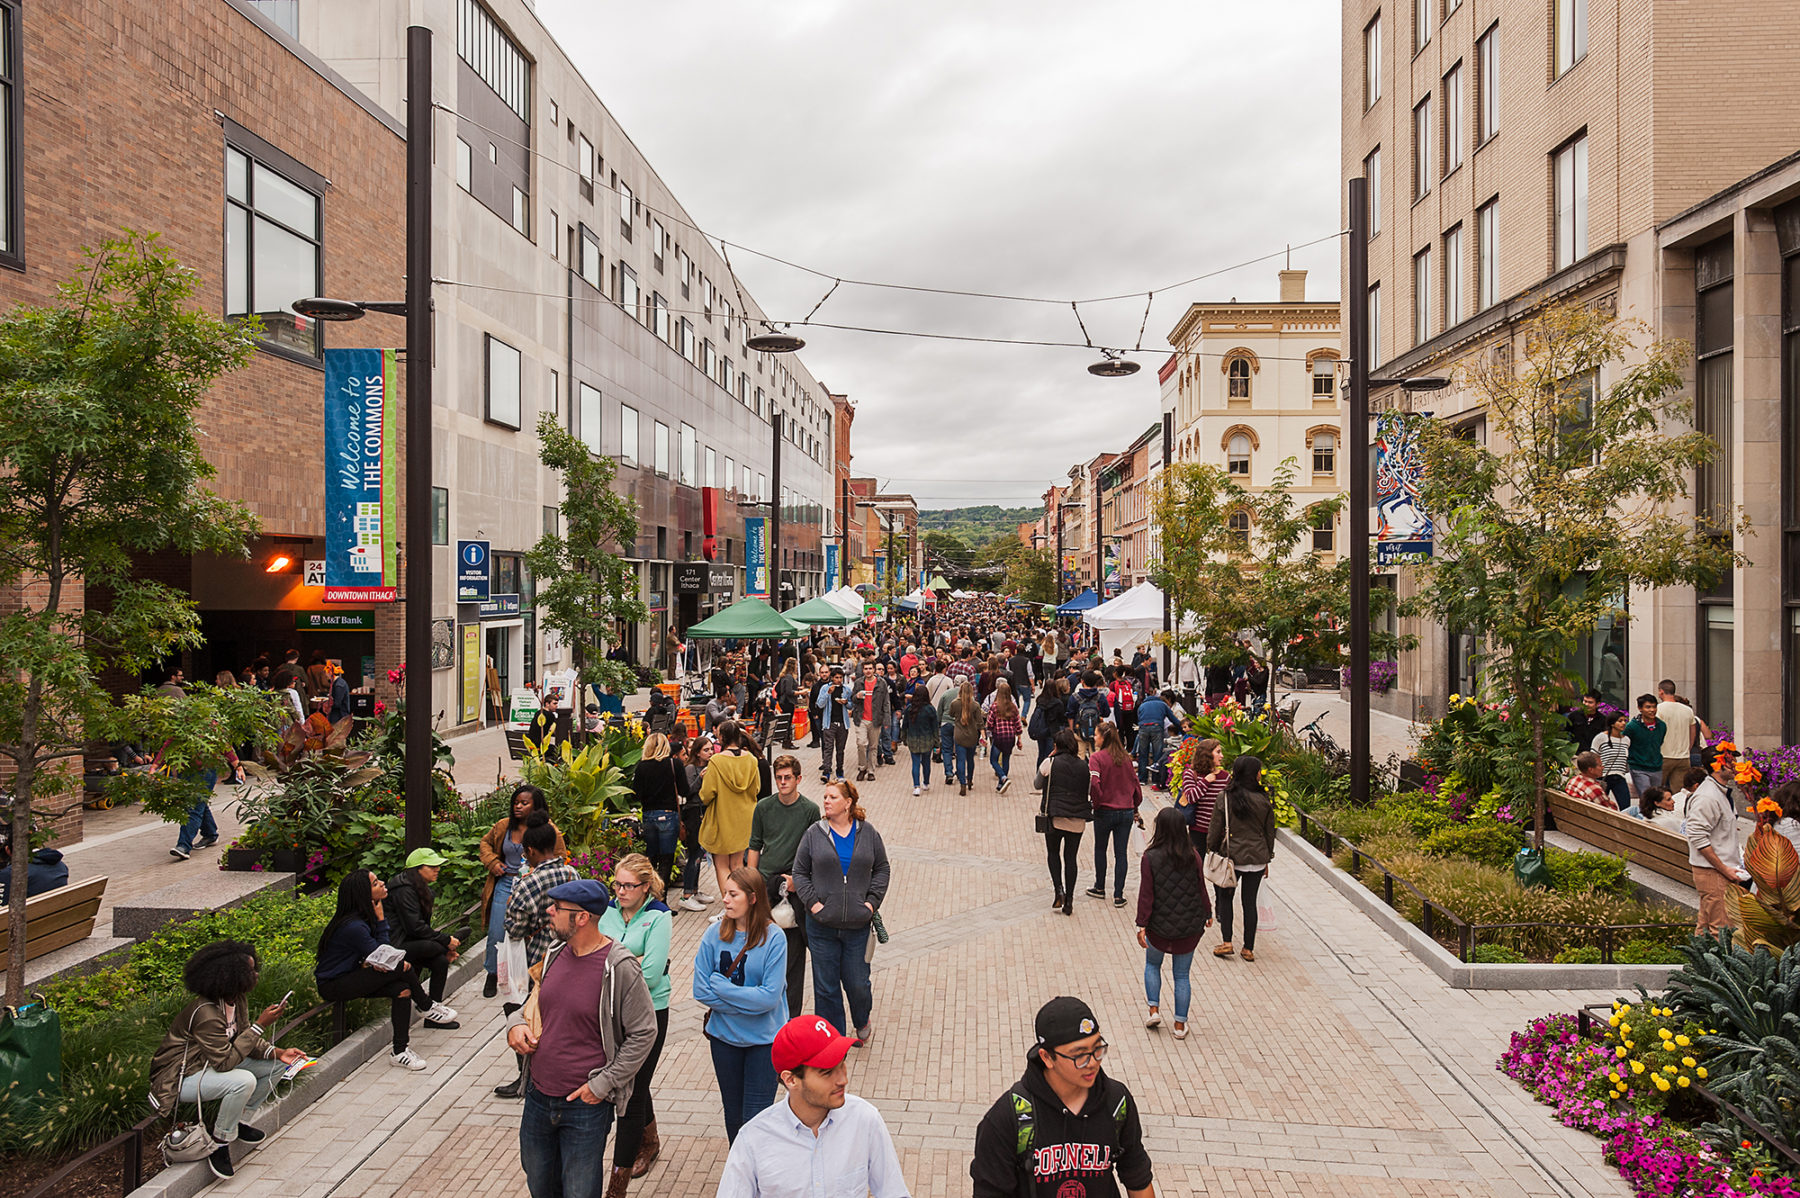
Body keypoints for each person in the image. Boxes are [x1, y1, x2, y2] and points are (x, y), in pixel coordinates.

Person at [508, 880, 658, 1198]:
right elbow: (531, 1007)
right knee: (540, 1185)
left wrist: (602, 1085)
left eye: (556, 908)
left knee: (579, 1191)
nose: (548, 912)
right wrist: (515, 1025)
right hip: (537, 1097)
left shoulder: (619, 967)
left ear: (581, 918)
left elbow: (645, 1032)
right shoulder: (554, 954)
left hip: (584, 1107)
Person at [148, 940, 308, 1179]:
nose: (256, 975)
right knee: (243, 1080)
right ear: (229, 977)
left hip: (210, 1066)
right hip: (181, 1079)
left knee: (277, 1066)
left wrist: (278, 1053)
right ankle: (219, 1144)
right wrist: (260, 1025)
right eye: (250, 971)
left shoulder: (235, 999)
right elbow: (225, 1062)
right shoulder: (206, 1013)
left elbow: (244, 1040)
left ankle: (237, 1124)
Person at [970, 996, 1155, 1198]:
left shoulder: (1116, 1102)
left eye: (1097, 1049)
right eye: (1079, 1055)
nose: (1092, 1062)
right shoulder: (1008, 1117)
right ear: (1047, 1057)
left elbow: (1137, 1175)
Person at [716, 1015, 910, 1198]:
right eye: (827, 1073)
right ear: (791, 1080)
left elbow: (893, 1192)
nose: (843, 1079)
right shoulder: (752, 1140)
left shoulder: (865, 1120)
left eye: (842, 1064)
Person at [694, 866, 789, 1144]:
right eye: (725, 893)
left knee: (757, 1120)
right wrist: (750, 1003)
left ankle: (761, 1180)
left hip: (764, 1043)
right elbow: (700, 990)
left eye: (733, 895)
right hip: (725, 1041)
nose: (725, 900)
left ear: (753, 897)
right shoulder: (714, 935)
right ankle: (742, 1176)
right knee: (734, 1118)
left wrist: (723, 989)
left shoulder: (775, 939)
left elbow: (770, 998)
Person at [792, 779, 890, 1044]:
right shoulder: (814, 833)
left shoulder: (867, 833)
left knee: (858, 983)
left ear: (848, 803)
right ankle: (832, 1040)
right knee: (826, 988)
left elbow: (882, 868)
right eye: (825, 796)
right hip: (821, 925)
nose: (826, 801)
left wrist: (870, 903)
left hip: (857, 926)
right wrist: (813, 904)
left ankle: (861, 1020)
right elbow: (799, 872)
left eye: (832, 797)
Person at [597, 855, 674, 1194]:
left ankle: (618, 1184)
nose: (621, 891)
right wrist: (634, 962)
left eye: (629, 886)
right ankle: (651, 1139)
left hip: (650, 1013)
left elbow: (655, 974)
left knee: (631, 1095)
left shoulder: (659, 915)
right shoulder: (608, 912)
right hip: (611, 1014)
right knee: (635, 1080)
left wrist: (616, 970)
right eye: (617, 884)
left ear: (646, 887)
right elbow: (595, 961)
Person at [315, 870, 443, 1071]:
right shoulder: (354, 926)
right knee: (400, 966)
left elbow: (382, 953)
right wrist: (382, 922)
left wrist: (380, 919)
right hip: (334, 984)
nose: (383, 883)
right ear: (364, 894)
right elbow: (385, 956)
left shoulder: (364, 917)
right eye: (375, 883)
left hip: (355, 974)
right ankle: (425, 1005)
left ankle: (400, 1052)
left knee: (402, 989)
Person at [496, 818, 580, 1099]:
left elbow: (514, 928)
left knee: (527, 1017)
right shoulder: (572, 874)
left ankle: (528, 1079)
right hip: (572, 956)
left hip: (537, 964)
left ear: (530, 851)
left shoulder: (527, 883)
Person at [748, 755, 822, 1019]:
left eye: (787, 777)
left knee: (793, 952)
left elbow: (815, 851)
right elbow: (755, 845)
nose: (782, 782)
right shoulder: (764, 807)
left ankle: (791, 1015)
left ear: (798, 779)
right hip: (766, 885)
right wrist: (752, 883)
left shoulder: (810, 810)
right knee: (762, 947)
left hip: (794, 885)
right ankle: (764, 1006)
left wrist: (799, 882)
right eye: (778, 778)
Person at [481, 785, 565, 998]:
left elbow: (560, 855)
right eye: (516, 803)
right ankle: (493, 973)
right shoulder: (504, 826)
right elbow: (485, 844)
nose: (518, 807)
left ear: (535, 806)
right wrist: (493, 863)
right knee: (497, 932)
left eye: (524, 803)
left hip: (535, 884)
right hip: (506, 882)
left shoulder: (548, 830)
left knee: (534, 931)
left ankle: (526, 974)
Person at [1136, 808, 1212, 1039]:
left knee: (1152, 965)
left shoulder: (1150, 858)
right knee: (1181, 975)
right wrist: (1208, 912)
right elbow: (1201, 887)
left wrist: (1142, 924)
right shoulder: (1194, 855)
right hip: (1188, 926)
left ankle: (1153, 1009)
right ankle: (1180, 1025)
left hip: (1158, 925)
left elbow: (1146, 894)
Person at [1207, 754, 1276, 962]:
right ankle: (1248, 948)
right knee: (1249, 902)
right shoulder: (1264, 798)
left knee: (1226, 899)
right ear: (1254, 774)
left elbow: (1215, 827)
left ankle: (1227, 942)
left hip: (1231, 857)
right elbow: (1269, 831)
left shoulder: (1225, 797)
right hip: (1257, 857)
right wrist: (1268, 858)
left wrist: (1211, 850)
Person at [385, 847, 462, 1028]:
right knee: (435, 948)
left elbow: (420, 928)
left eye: (438, 866)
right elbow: (415, 927)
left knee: (440, 962)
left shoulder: (421, 889)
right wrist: (445, 941)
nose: (437, 869)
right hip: (396, 945)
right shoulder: (403, 890)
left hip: (411, 941)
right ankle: (451, 945)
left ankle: (432, 1017)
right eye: (432, 866)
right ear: (417, 869)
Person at [1683, 743, 1750, 935]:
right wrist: (1724, 869)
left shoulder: (1717, 792)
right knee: (1721, 930)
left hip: (1717, 871)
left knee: (1705, 929)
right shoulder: (1708, 796)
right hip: (1715, 873)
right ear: (1717, 765)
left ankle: (1699, 964)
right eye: (1730, 761)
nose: (1736, 765)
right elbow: (1696, 835)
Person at [702, 720, 764, 903]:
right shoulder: (751, 760)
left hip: (722, 817)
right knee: (737, 863)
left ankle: (729, 903)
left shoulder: (716, 761)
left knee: (721, 864)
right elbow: (756, 789)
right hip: (745, 817)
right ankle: (741, 900)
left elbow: (706, 795)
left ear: (721, 738)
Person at [1086, 722, 1144, 907]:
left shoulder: (1096, 758)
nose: (1094, 738)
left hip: (1104, 810)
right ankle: (1118, 894)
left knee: (1100, 849)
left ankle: (1100, 886)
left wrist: (1097, 802)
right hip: (1125, 811)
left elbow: (1094, 783)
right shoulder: (1126, 759)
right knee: (1121, 854)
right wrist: (1134, 806)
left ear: (1103, 737)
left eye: (1096, 735)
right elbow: (1137, 786)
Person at [1036, 729, 1091, 917]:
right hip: (1078, 818)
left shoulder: (1050, 763)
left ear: (1056, 745)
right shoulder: (1084, 765)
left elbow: (1036, 784)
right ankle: (1070, 900)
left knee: (1053, 853)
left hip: (1055, 816)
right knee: (1071, 858)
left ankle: (1058, 889)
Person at [632, 733, 684, 892]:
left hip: (649, 815)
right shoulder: (674, 764)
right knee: (667, 859)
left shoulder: (642, 766)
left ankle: (649, 897)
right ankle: (663, 898)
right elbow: (684, 790)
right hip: (669, 814)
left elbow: (636, 793)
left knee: (651, 859)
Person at [1177, 738, 1227, 858]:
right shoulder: (1191, 774)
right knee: (1196, 865)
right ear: (1207, 754)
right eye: (1218, 752)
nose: (1222, 756)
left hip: (1219, 831)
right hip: (1198, 830)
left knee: (1218, 869)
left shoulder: (1225, 777)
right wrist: (1206, 781)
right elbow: (1191, 797)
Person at [1656, 681, 1706, 789]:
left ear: (1661, 692)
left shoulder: (1658, 709)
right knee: (1679, 792)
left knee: (1657, 790)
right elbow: (1692, 732)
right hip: (1683, 757)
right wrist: (1688, 748)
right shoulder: (1687, 710)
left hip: (1663, 755)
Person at [847, 661, 890, 783]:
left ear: (874, 669)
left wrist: (887, 720)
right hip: (861, 718)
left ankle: (871, 771)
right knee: (861, 743)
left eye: (870, 668)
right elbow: (852, 699)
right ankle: (862, 768)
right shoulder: (859, 682)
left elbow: (886, 702)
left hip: (876, 719)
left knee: (873, 746)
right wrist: (857, 697)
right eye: (866, 669)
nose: (868, 671)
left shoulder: (881, 683)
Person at [1132, 690, 1182, 786]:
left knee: (1143, 753)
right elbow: (1173, 719)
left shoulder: (1142, 705)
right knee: (1157, 753)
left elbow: (1139, 718)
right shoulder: (1163, 705)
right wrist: (1182, 729)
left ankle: (1142, 778)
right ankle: (1156, 779)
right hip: (1156, 728)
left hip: (1143, 728)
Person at [1623, 695, 1666, 800]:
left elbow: (1659, 742)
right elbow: (1625, 743)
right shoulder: (1632, 727)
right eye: (1648, 707)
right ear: (1640, 708)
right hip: (1639, 767)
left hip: (1656, 767)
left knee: (1657, 798)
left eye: (1654, 707)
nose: (1652, 710)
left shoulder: (1662, 725)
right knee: (1646, 796)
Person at [899, 684, 940, 796]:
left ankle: (916, 786)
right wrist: (937, 743)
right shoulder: (930, 709)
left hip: (913, 740)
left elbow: (905, 725)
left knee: (915, 764)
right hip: (927, 740)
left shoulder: (909, 709)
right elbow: (935, 727)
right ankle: (926, 783)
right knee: (926, 763)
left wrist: (904, 738)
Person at [815, 664, 853, 784]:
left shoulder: (846, 689)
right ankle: (826, 772)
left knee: (840, 749)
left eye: (840, 677)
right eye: (836, 677)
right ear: (832, 678)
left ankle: (840, 771)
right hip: (829, 723)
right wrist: (828, 694)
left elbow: (851, 705)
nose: (838, 680)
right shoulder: (825, 688)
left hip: (843, 723)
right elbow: (819, 704)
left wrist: (846, 702)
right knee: (828, 748)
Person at [948, 680, 987, 795]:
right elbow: (980, 722)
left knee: (960, 760)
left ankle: (962, 783)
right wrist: (983, 735)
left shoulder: (955, 703)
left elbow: (950, 714)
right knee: (970, 760)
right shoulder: (975, 705)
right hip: (972, 735)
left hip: (959, 735)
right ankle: (970, 779)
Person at [985, 678, 1023, 793]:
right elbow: (1018, 724)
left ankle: (1003, 777)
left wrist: (989, 731)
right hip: (1010, 737)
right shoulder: (1013, 707)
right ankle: (1001, 784)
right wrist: (1019, 738)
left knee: (993, 760)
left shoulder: (995, 706)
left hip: (999, 736)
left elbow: (990, 722)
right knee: (1006, 758)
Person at [1591, 711, 1634, 811]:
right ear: (1612, 723)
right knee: (1600, 806)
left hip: (1619, 776)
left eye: (1625, 720)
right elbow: (1593, 756)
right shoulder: (1600, 738)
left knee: (1626, 806)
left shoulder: (1626, 740)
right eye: (1620, 721)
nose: (1623, 723)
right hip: (1603, 777)